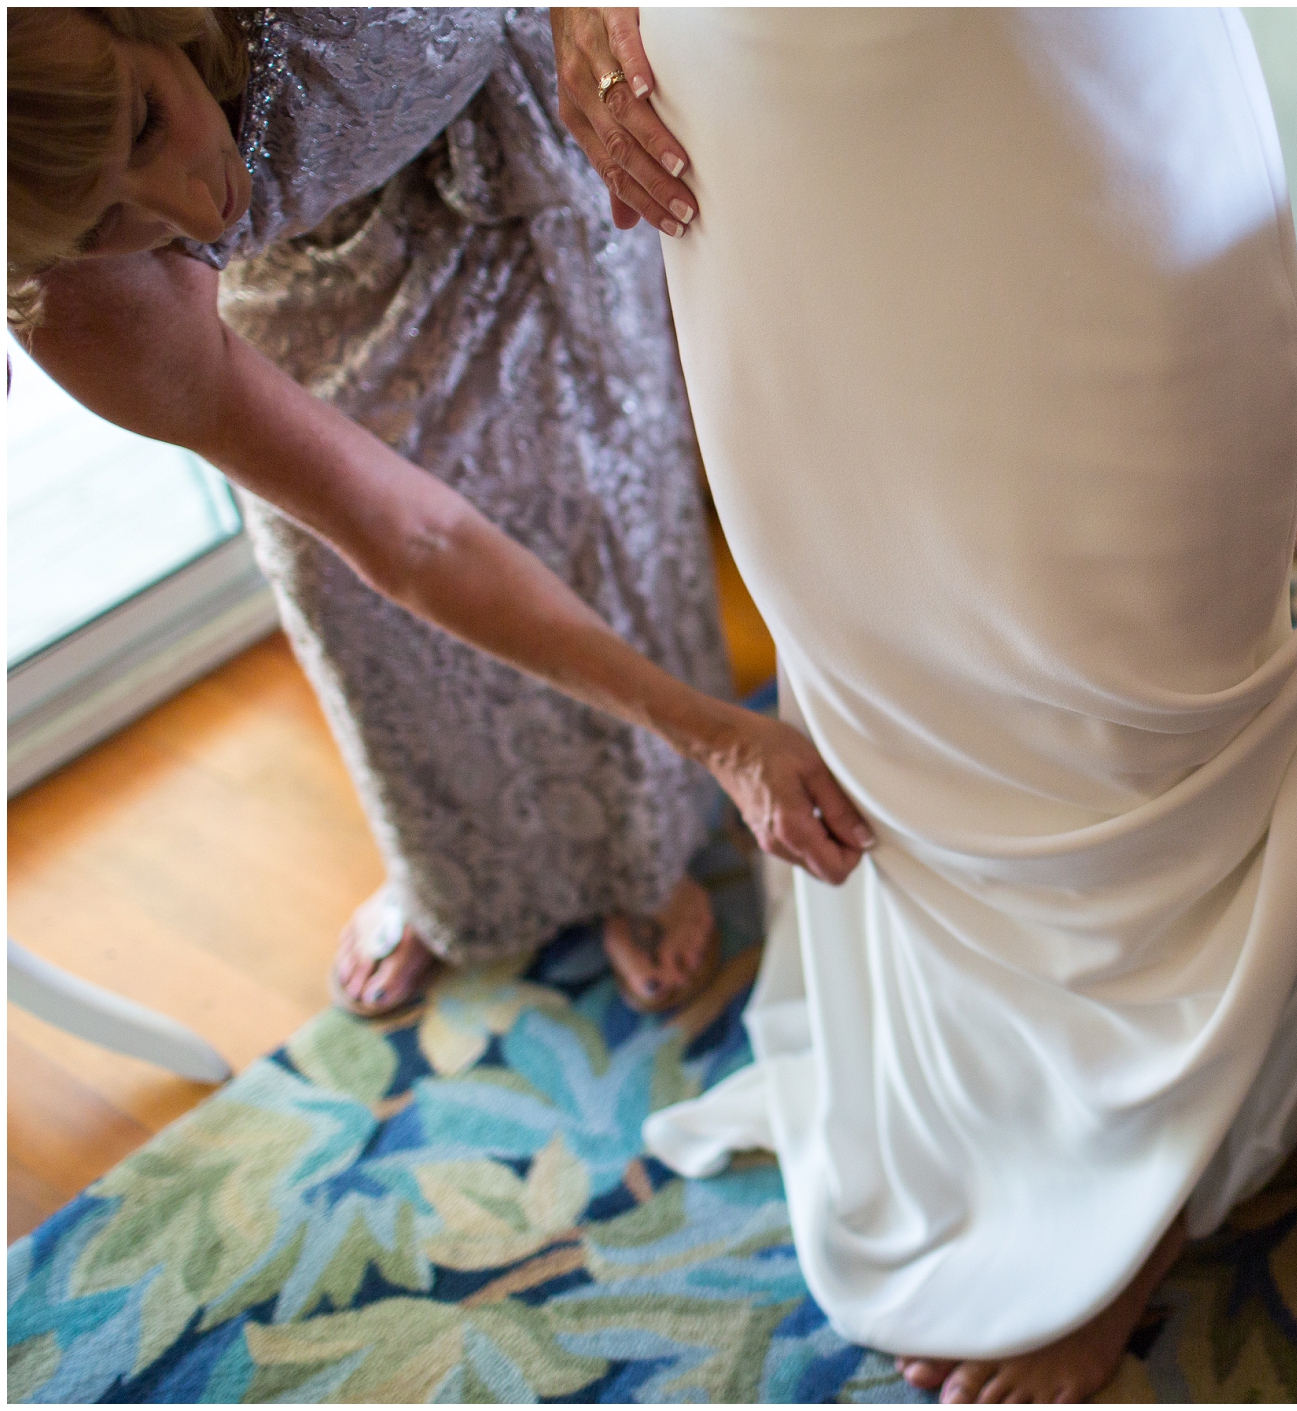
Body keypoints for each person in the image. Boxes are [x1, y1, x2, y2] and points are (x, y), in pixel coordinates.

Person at [560, 8, 1297, 1402]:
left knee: (1130, 713)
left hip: (1050, 86)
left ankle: (1139, 1188)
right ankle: (1010, 1116)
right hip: (763, 130)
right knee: (899, 693)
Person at [6, 7, 872, 1019]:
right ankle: (454, 881)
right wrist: (721, 735)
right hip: (305, 279)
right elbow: (408, 535)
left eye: (148, 123)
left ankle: (637, 854)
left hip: (522, 143)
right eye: (98, 223)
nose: (191, 208)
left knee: (592, 502)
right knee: (347, 594)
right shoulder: (74, 295)